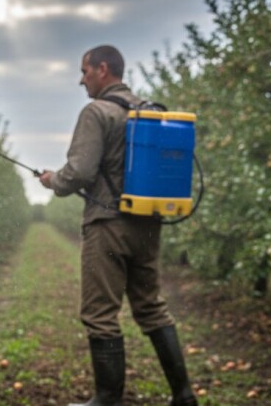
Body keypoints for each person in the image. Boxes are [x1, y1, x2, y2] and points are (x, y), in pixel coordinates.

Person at [39, 45, 197, 406]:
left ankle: (107, 399)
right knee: (151, 306)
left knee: (100, 314)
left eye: (84, 72)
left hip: (108, 225)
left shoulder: (97, 112)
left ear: (103, 69)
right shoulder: (150, 112)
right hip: (148, 224)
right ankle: (184, 395)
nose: (81, 81)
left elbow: (79, 172)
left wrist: (53, 181)